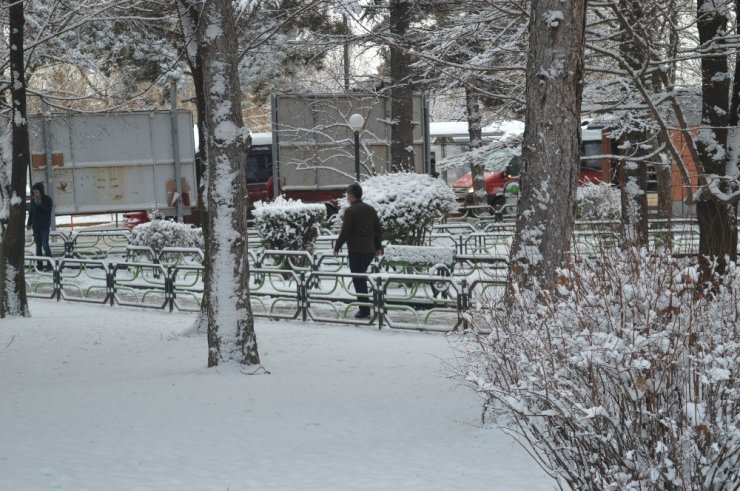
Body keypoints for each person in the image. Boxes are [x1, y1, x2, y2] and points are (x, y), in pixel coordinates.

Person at [333, 183, 383, 319]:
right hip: (369, 250)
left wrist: (337, 246)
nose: (347, 197)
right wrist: (378, 247)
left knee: (358, 279)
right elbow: (377, 230)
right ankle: (365, 307)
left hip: (356, 250)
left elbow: (345, 232)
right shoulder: (370, 209)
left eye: (348, 195)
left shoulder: (351, 211)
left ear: (352, 195)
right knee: (361, 278)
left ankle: (364, 309)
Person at [26, 182, 53, 269]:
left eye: (37, 192)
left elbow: (48, 211)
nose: (35, 194)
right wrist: (29, 223)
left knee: (45, 244)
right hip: (36, 226)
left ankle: (50, 264)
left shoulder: (47, 199)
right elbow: (31, 213)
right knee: (38, 247)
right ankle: (39, 265)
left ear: (41, 191)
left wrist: (40, 204)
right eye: (34, 192)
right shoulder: (33, 201)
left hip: (44, 226)